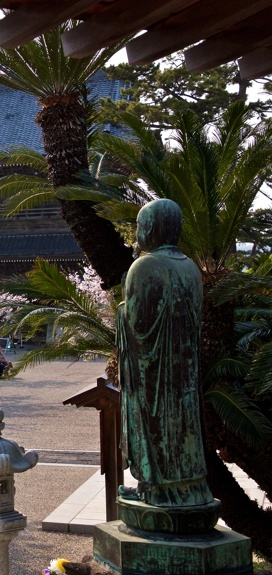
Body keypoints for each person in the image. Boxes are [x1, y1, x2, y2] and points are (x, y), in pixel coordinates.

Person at [117, 199, 212, 508]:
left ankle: (156, 489)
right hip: (184, 370)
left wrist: (121, 311)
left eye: (140, 227)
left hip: (154, 372)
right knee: (184, 428)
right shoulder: (190, 267)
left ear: (153, 229)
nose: (137, 234)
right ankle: (191, 487)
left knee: (156, 426)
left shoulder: (144, 266)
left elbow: (137, 325)